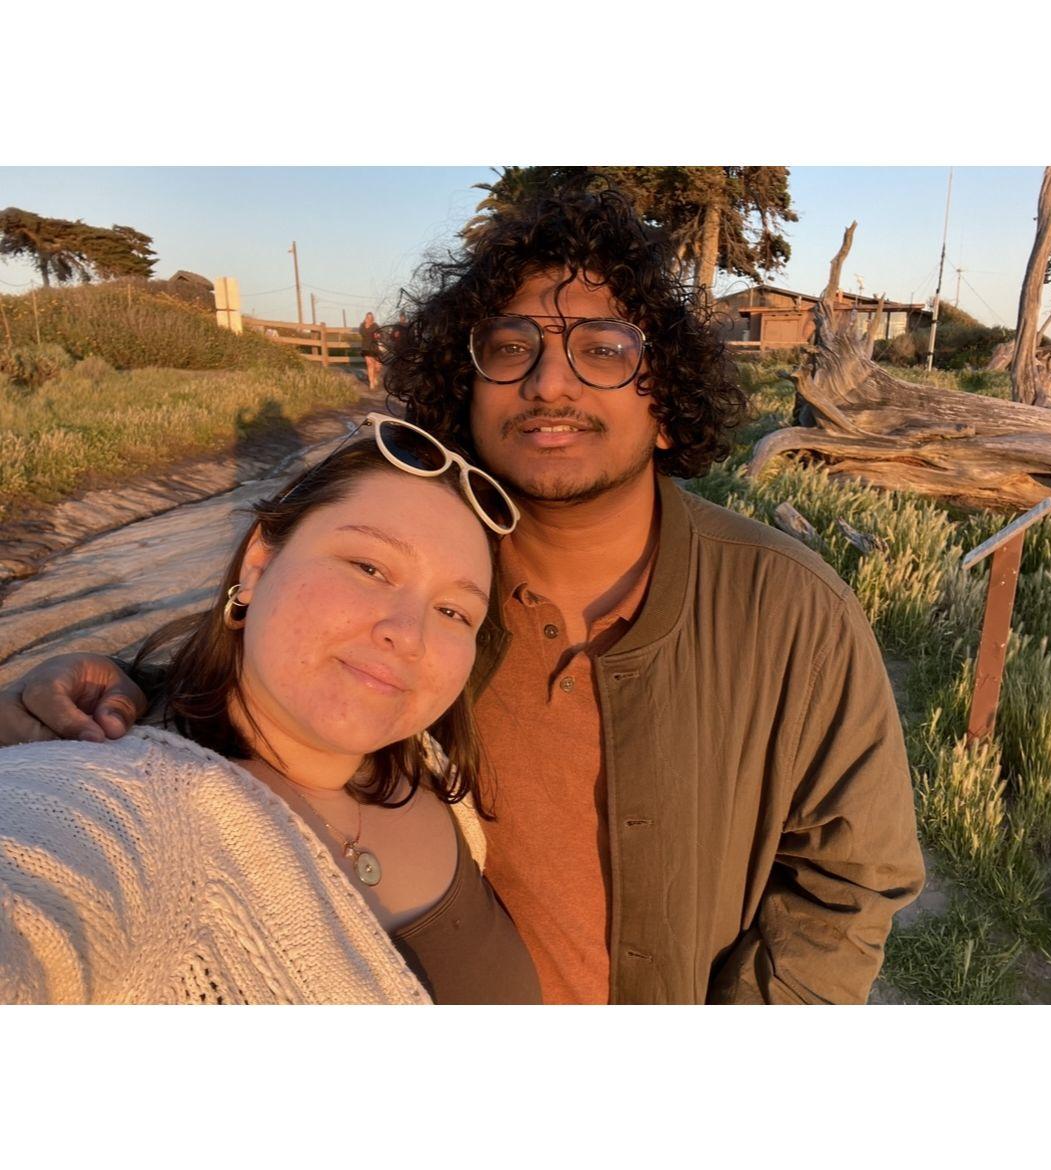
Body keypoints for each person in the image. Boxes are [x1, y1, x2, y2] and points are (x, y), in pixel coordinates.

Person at [0, 189, 924, 1004]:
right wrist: (99, 693)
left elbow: (851, 881)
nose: (550, 381)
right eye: (510, 346)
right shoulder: (431, 589)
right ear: (465, 388)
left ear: (668, 403)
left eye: (604, 349)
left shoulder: (792, 611)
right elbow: (246, 697)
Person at [0, 419, 540, 1004]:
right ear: (258, 565)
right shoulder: (118, 808)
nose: (408, 635)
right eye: (369, 568)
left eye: (454, 612)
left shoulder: (429, 768)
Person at [358, 311, 383, 390]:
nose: (369, 319)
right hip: (366, 347)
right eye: (367, 317)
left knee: (377, 367)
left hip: (374, 348)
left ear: (372, 318)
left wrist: (378, 335)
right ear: (366, 317)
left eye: (370, 317)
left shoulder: (375, 325)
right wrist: (366, 325)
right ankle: (371, 382)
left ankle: (375, 377)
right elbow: (362, 333)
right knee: (370, 364)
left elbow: (380, 334)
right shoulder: (362, 325)